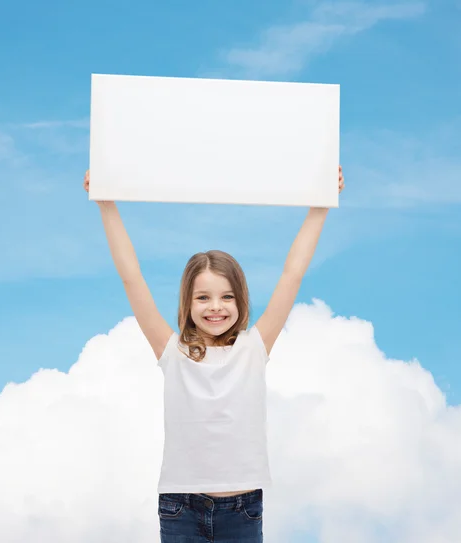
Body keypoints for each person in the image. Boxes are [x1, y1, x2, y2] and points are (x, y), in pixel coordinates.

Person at [83, 166, 345, 542]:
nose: (215, 307)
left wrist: (320, 206)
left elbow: (292, 274)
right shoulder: (172, 352)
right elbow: (132, 277)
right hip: (181, 508)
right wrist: (106, 203)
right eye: (203, 297)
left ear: (241, 300)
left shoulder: (254, 348)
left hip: (242, 509)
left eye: (226, 297)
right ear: (187, 303)